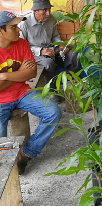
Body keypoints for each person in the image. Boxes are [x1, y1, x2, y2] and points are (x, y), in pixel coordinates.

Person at [0, 11, 61, 174]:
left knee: (53, 112)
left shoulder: (22, 44)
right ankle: (7, 173)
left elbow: (31, 73)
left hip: (22, 93)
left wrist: (5, 76)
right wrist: (19, 73)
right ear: (1, 31)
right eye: (13, 27)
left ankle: (26, 154)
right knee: (1, 142)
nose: (19, 30)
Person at [19, 0, 80, 102]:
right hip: (35, 55)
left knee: (74, 55)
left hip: (52, 50)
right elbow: (21, 47)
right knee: (48, 63)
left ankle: (71, 88)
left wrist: (61, 45)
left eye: (49, 9)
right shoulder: (24, 23)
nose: (48, 13)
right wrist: (40, 51)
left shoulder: (50, 18)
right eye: (44, 10)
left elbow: (55, 36)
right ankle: (52, 91)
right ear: (35, 11)